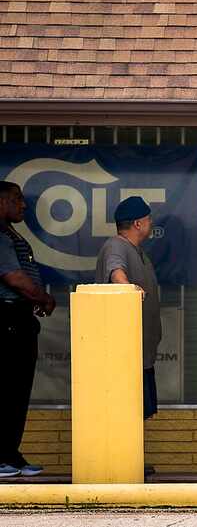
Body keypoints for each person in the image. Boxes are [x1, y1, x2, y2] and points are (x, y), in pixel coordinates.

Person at [94, 197, 162, 439]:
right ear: (137, 223)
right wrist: (128, 288)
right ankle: (124, 465)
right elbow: (116, 271)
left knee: (137, 411)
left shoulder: (137, 251)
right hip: (125, 354)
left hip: (140, 354)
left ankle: (133, 461)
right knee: (125, 409)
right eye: (148, 219)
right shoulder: (116, 246)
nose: (150, 222)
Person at [0, 181, 55, 477]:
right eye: (16, 199)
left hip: (19, 318)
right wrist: (43, 297)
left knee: (17, 390)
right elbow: (13, 277)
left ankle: (10, 454)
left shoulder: (9, 232)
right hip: (6, 319)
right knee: (7, 388)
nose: (23, 204)